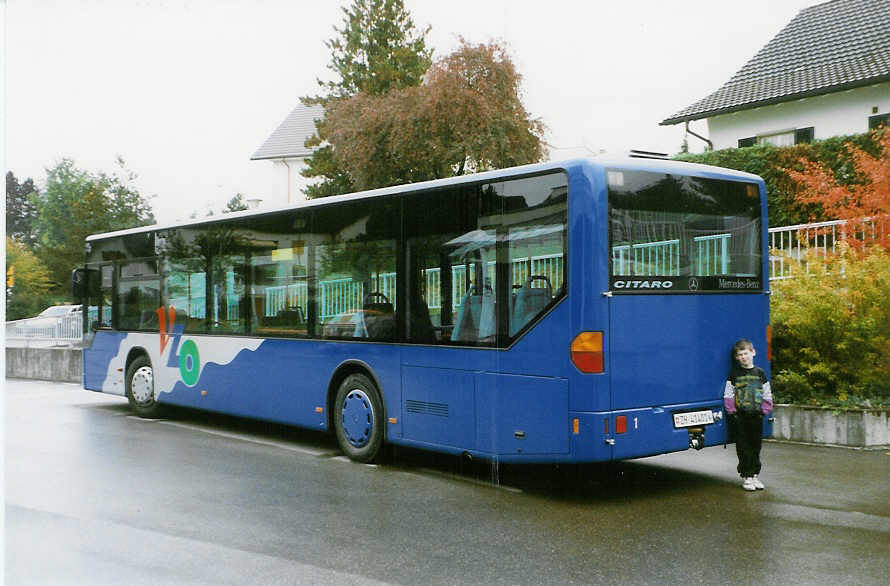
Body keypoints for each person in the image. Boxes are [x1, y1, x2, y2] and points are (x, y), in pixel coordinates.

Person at [724, 339, 773, 491]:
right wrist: (732, 412)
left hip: (756, 416)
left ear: (753, 353)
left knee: (755, 446)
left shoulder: (760, 373)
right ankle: (747, 477)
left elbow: (767, 393)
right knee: (743, 447)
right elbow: (729, 394)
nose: (744, 357)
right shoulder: (734, 374)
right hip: (741, 417)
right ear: (737, 358)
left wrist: (764, 410)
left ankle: (755, 475)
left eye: (746, 353)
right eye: (740, 355)